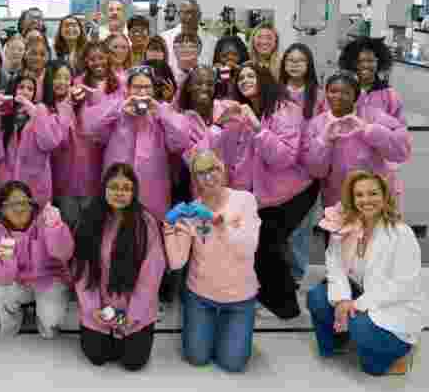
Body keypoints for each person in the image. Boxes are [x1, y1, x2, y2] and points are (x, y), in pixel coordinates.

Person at [209, 62, 314, 320]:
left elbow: (283, 158)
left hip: (295, 190)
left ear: (264, 79)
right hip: (264, 194)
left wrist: (257, 126)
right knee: (259, 243)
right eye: (241, 78)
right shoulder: (239, 111)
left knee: (268, 243)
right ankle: (268, 299)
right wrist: (219, 124)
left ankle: (285, 307)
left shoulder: (285, 109)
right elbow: (232, 157)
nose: (245, 80)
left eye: (251, 76)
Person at [306, 171, 427, 375]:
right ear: (352, 199)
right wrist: (343, 300)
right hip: (361, 293)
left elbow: (404, 287)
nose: (366, 200)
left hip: (393, 304)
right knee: (317, 298)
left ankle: (400, 352)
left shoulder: (400, 233)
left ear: (384, 196)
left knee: (371, 365)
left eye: (373, 193)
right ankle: (343, 341)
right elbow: (335, 266)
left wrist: (356, 305)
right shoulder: (348, 226)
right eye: (359, 195)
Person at [163, 151, 261, 373]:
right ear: (194, 179)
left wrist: (219, 222)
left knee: (232, 364)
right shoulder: (192, 211)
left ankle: (228, 328)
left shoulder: (245, 200)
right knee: (197, 358)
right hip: (200, 297)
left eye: (213, 169)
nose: (208, 177)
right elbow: (177, 262)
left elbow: (247, 249)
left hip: (239, 299)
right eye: (201, 173)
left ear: (223, 168)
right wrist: (169, 228)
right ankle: (214, 328)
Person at [70, 165, 165, 371]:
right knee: (97, 356)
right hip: (99, 309)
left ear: (134, 191)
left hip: (135, 310)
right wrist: (92, 309)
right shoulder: (88, 219)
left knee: (133, 362)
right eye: (114, 187)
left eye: (126, 188)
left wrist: (134, 314)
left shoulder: (146, 222)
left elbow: (152, 275)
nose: (119, 193)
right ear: (104, 188)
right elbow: (81, 271)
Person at [84, 65, 190, 224]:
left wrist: (161, 113)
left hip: (152, 186)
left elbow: (181, 141)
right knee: (116, 224)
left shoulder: (162, 110)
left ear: (153, 89)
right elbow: (91, 127)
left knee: (150, 227)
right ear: (127, 89)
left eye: (147, 87)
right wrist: (119, 109)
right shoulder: (116, 107)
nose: (142, 92)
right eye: (137, 87)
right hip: (118, 183)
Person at [304, 71, 411, 212]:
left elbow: (401, 152)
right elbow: (316, 171)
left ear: (355, 96)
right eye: (333, 91)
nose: (338, 97)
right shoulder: (317, 124)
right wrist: (323, 141)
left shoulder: (373, 116)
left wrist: (369, 130)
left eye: (346, 93)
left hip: (375, 199)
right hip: (338, 202)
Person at [0, 181, 74, 338]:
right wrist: (7, 259)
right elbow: (1, 278)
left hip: (48, 282)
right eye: (12, 204)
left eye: (23, 203)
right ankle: (13, 321)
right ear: (3, 209)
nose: (19, 209)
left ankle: (43, 316)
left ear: (31, 205)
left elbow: (64, 254)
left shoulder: (45, 222)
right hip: (18, 283)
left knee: (50, 325)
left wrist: (55, 228)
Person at [339, 36, 410, 208]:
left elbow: (400, 142)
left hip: (379, 175)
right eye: (360, 61)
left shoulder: (389, 95)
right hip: (344, 174)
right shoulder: (340, 92)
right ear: (351, 63)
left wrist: (375, 132)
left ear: (379, 62)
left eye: (370, 60)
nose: (365, 65)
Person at [0, 73, 65, 210]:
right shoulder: (4, 114)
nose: (25, 91)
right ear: (13, 89)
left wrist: (34, 111)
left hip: (35, 184)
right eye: (21, 87)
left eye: (30, 89)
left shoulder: (42, 111)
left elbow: (49, 143)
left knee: (35, 219)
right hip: (7, 184)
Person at [281, 42, 325, 284]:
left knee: (302, 226)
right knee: (280, 225)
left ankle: (297, 273)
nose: (294, 64)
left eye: (300, 60)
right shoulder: (276, 92)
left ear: (308, 65)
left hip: (308, 172)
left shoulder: (319, 95)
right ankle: (279, 273)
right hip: (279, 170)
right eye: (290, 60)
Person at [46, 60, 104, 229]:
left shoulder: (82, 103)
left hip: (89, 178)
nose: (62, 82)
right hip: (63, 180)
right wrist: (66, 105)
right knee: (68, 226)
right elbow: (58, 140)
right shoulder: (45, 108)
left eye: (67, 78)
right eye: (57, 77)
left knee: (88, 228)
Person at [161, 0, 216, 75]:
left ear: (199, 15)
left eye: (193, 12)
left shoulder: (212, 41)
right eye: (184, 13)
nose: (189, 17)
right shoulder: (165, 38)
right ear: (178, 15)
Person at [22, 33, 50, 102]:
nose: (38, 58)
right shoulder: (16, 78)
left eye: (42, 54)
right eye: (33, 53)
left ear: (47, 57)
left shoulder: (53, 77)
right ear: (25, 55)